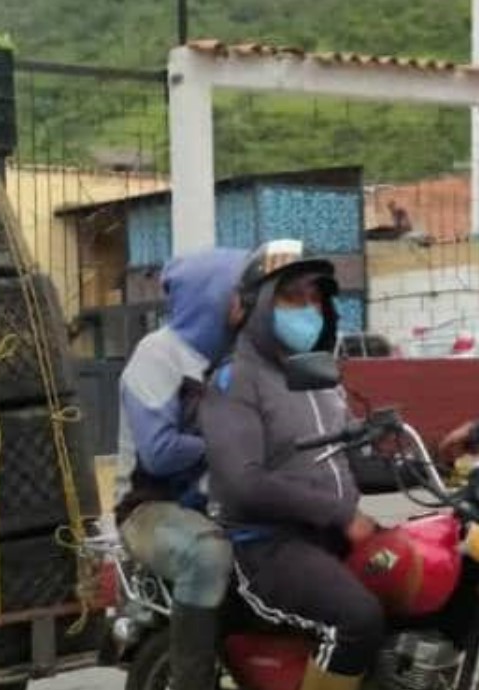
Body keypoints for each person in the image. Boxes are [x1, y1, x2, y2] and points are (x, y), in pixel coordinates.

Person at [199, 239, 383, 690]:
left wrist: (435, 463)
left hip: (325, 538)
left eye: (314, 297)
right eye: (291, 297)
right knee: (357, 618)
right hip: (267, 547)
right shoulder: (235, 378)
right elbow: (244, 483)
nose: (308, 308)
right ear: (258, 305)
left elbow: (350, 463)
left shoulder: (316, 376)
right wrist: (341, 513)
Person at [115, 248, 248, 690]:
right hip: (151, 509)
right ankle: (192, 680)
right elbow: (159, 452)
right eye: (239, 293)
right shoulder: (158, 355)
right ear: (211, 295)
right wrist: (228, 443)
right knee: (207, 555)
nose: (246, 305)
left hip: (220, 500)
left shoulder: (240, 356)